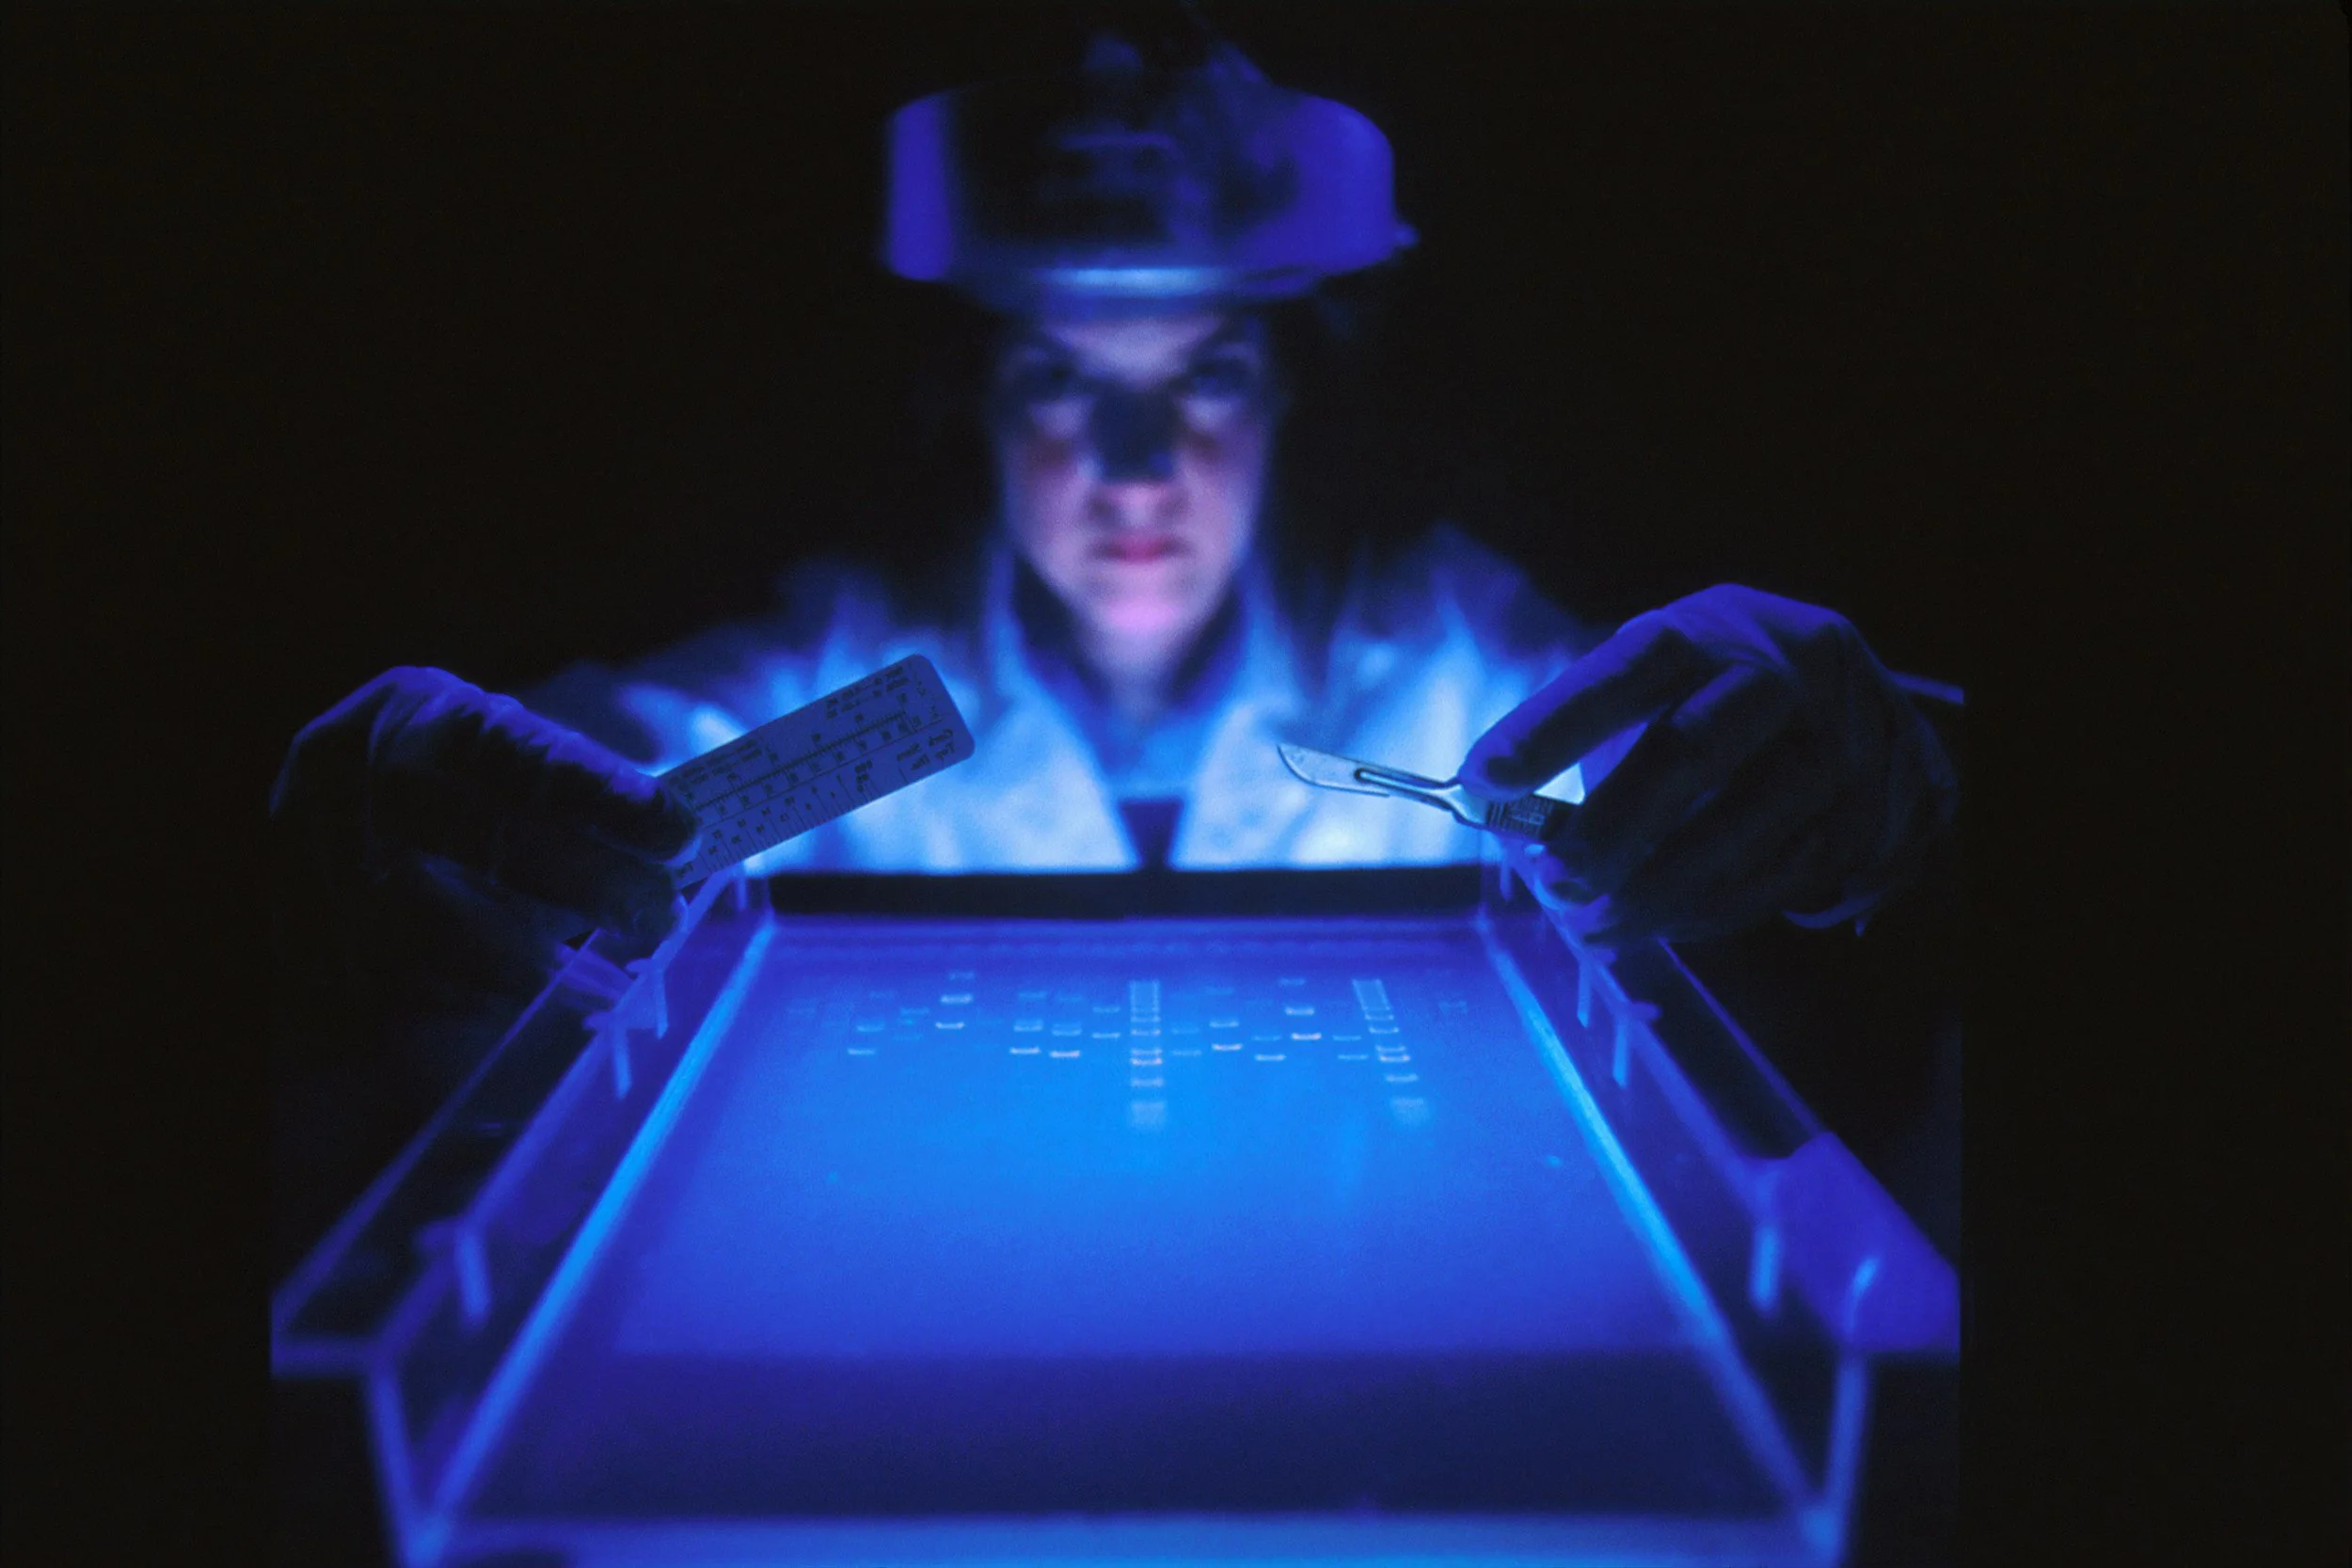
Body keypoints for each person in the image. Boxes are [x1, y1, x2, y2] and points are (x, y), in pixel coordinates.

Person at [269, 28, 1958, 1211]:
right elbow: (585, 799)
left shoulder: (1451, 675)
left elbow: (1733, 775)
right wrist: (389, 826)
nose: (1138, 467)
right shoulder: (836, 698)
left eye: (1206, 376)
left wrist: (1902, 776)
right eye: (1064, 382)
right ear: (973, 402)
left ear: (1295, 394)